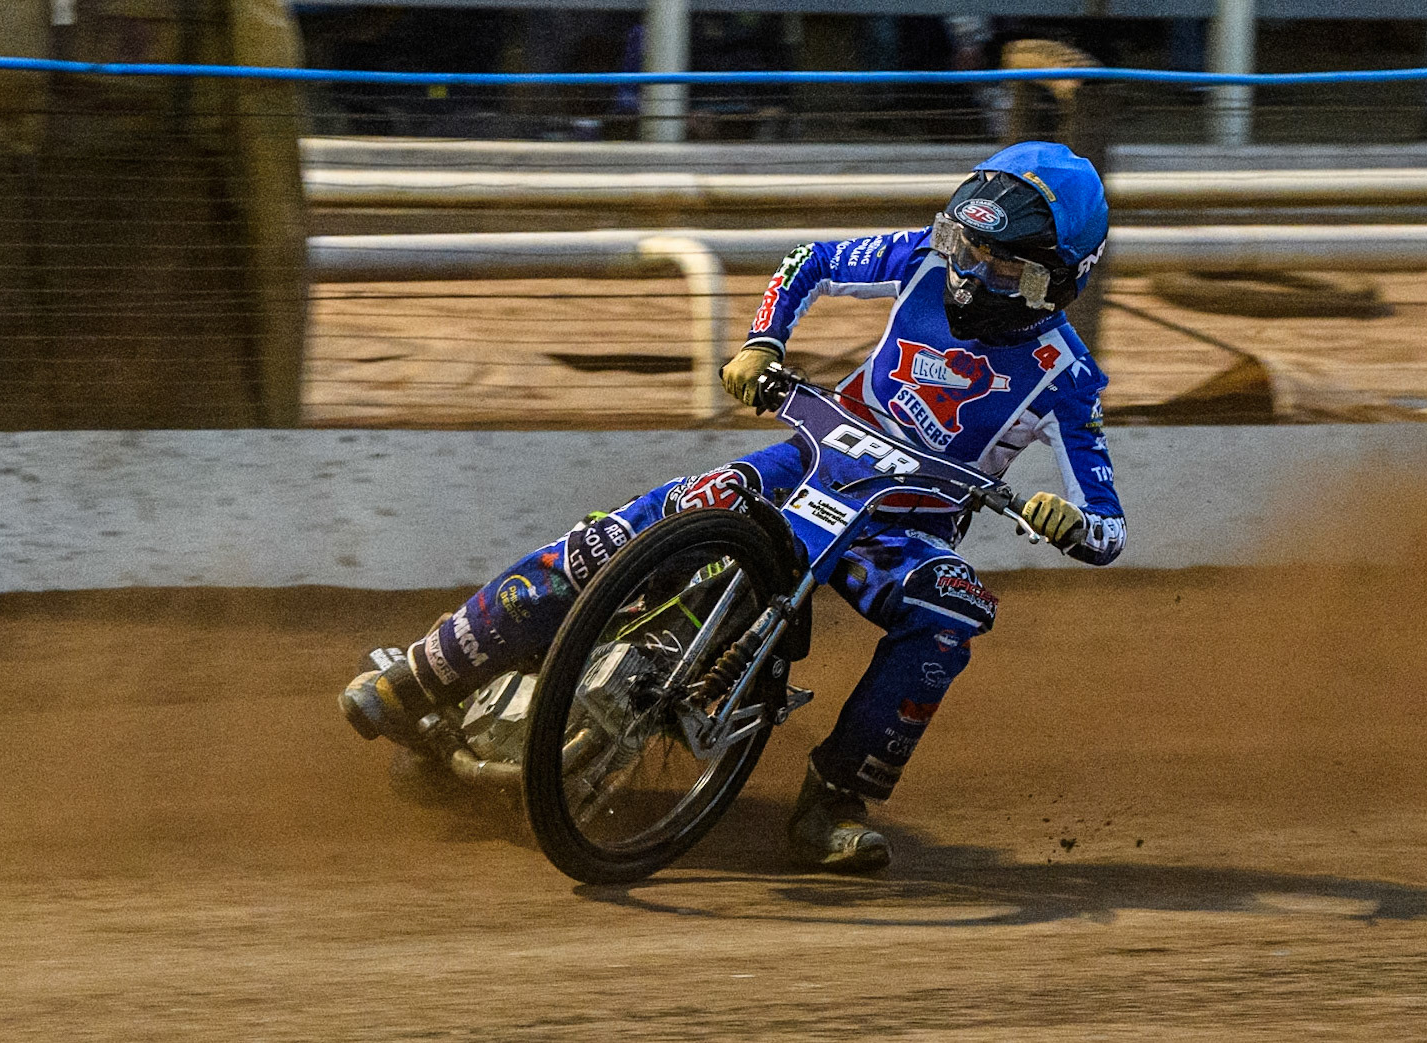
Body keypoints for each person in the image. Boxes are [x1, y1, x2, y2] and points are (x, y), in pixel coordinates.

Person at [340, 140, 1126, 873]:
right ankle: (420, 675)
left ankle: (833, 799)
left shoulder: (1068, 376)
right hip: (805, 457)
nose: (967, 274)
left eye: (1000, 266)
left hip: (902, 526)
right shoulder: (917, 259)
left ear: (1058, 277)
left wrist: (1070, 522)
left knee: (950, 610)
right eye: (964, 246)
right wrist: (762, 343)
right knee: (624, 533)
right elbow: (807, 260)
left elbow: (1108, 526)